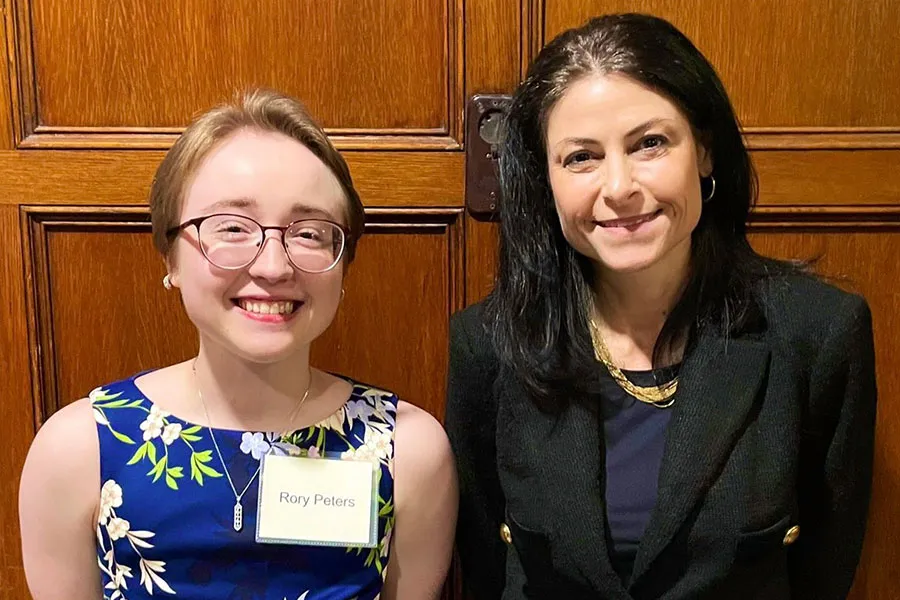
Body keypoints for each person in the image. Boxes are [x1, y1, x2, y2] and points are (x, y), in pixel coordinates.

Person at [447, 13, 876, 600]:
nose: (619, 186)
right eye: (581, 157)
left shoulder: (816, 333)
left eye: (650, 143)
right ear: (544, 179)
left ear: (703, 150)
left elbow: (824, 566)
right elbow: (487, 560)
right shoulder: (490, 342)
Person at [20, 89, 457, 600]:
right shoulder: (79, 449)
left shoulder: (408, 450)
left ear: (343, 266)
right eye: (231, 227)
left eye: (311, 233)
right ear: (171, 260)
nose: (273, 266)